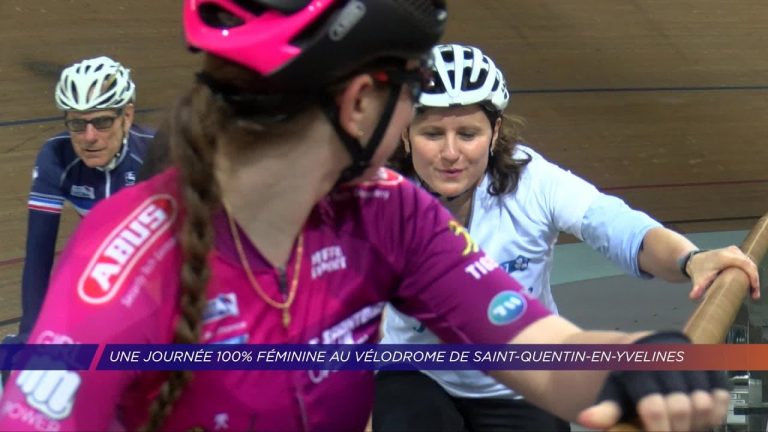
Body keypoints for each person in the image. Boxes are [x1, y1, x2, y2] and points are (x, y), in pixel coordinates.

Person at [0, 2, 731, 431]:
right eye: (415, 88)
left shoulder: (389, 211)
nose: (428, 121)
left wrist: (633, 366)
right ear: (357, 104)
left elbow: (533, 345)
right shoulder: (118, 274)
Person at [374, 43, 759, 432]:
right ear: (405, 134)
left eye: (469, 133)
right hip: (418, 374)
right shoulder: (376, 200)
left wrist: (690, 259)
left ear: (495, 133)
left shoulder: (533, 181)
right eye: (433, 134)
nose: (451, 153)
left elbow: (618, 227)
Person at [3, 56, 153, 347]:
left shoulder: (156, 154)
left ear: (128, 116)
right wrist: (28, 336)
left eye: (103, 121)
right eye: (77, 123)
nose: (89, 137)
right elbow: (38, 255)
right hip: (102, 269)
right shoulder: (56, 157)